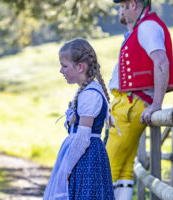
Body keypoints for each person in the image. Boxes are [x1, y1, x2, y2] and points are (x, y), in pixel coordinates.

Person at [106, 0, 173, 199]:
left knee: (109, 165)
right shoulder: (145, 26)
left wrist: (156, 104)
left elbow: (161, 62)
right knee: (125, 168)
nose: (120, 10)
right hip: (132, 103)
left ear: (133, 4)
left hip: (130, 103)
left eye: (122, 5)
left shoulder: (146, 27)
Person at [43, 38, 115, 200]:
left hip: (87, 158)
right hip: (83, 156)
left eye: (64, 66)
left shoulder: (90, 95)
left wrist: (67, 169)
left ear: (80, 67)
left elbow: (83, 137)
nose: (61, 71)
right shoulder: (86, 91)